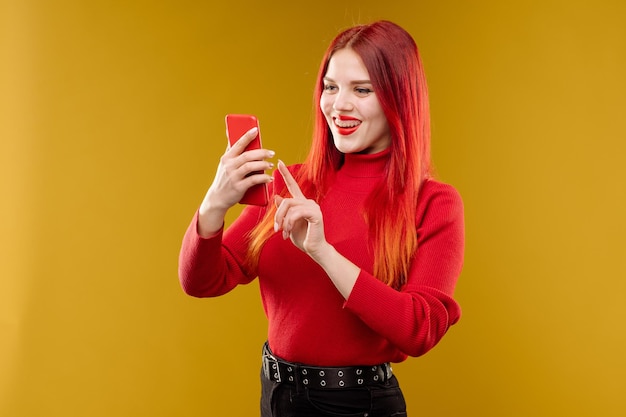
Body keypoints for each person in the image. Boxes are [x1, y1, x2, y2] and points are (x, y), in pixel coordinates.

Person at [178, 20, 464, 417]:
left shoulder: (433, 202)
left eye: (361, 90)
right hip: (277, 397)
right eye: (330, 87)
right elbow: (202, 281)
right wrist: (214, 206)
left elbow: (420, 328)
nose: (338, 104)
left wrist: (323, 252)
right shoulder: (290, 182)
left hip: (356, 405)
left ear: (400, 99)